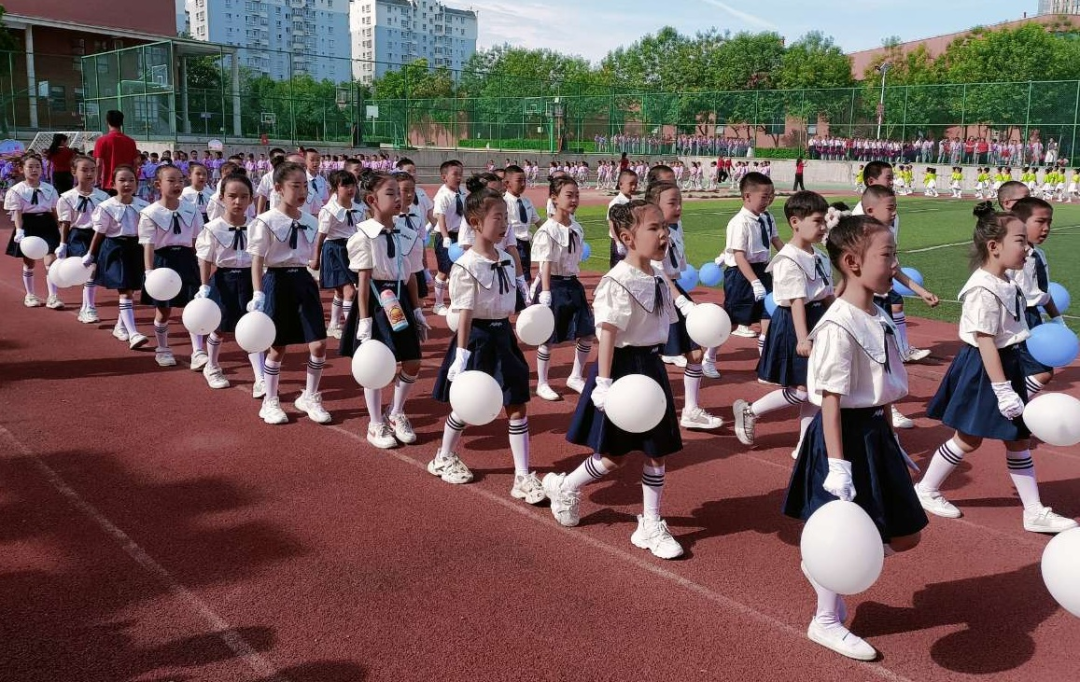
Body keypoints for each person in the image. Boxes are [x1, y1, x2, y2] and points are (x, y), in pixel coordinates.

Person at [782, 214, 928, 661]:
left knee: (906, 535)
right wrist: (838, 465)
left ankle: (826, 566)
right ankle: (825, 618)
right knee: (843, 531)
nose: (894, 264)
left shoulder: (878, 315)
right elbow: (828, 399)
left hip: (873, 435)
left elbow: (881, 385)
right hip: (841, 439)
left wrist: (893, 441)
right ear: (852, 262)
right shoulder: (836, 325)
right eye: (886, 256)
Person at [916, 203, 1077, 534]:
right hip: (986, 369)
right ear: (994, 246)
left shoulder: (1007, 280)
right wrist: (1003, 390)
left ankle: (1033, 510)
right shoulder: (982, 288)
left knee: (1017, 438)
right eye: (1020, 240)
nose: (1026, 247)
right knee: (969, 438)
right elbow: (985, 340)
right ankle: (926, 488)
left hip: (1007, 362)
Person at [543, 199, 685, 559]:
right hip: (622, 370)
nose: (663, 234)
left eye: (663, 227)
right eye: (653, 228)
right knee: (614, 455)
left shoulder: (655, 275)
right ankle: (567, 485)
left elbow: (665, 321)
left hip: (651, 371)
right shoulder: (616, 281)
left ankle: (650, 522)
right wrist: (603, 383)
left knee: (657, 450)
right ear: (627, 237)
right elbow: (607, 333)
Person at [429, 187, 545, 505]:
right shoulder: (466, 265)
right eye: (498, 217)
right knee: (468, 404)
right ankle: (443, 455)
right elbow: (465, 312)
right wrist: (462, 354)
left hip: (502, 336)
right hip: (477, 339)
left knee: (516, 401)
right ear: (476, 222)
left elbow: (514, 301)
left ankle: (522, 475)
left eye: (506, 217)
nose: (504, 223)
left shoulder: (507, 258)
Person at [734, 191, 834, 456]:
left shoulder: (819, 256)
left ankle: (805, 443)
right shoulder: (788, 259)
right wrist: (803, 338)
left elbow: (826, 295)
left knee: (816, 387)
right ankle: (751, 411)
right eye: (817, 221)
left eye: (824, 220)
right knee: (803, 390)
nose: (823, 227)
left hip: (817, 321)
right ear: (795, 222)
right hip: (793, 324)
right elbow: (797, 300)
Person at [342, 171, 428, 449]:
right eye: (390, 193)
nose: (399, 198)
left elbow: (413, 274)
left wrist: (416, 311)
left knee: (413, 360)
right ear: (372, 200)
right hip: (377, 304)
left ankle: (396, 412)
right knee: (376, 364)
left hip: (399, 302)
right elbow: (363, 282)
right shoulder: (363, 236)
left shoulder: (408, 233)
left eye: (400, 193)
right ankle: (375, 422)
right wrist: (364, 320)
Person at [245, 161, 331, 426]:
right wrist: (258, 293)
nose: (302, 191)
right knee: (277, 345)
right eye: (296, 186)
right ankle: (270, 400)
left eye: (305, 185)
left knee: (318, 343)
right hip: (277, 281)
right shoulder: (265, 221)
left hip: (303, 281)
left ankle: (310, 396)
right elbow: (257, 260)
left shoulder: (310, 220)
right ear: (279, 188)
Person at [647, 180, 723, 430]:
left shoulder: (675, 229)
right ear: (654, 204)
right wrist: (679, 299)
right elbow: (656, 268)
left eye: (680, 201)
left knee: (695, 352)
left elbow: (675, 266)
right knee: (641, 355)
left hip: (673, 291)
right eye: (672, 202)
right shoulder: (649, 231)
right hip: (655, 294)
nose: (679, 207)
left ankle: (690, 409)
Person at [194, 173, 265, 393]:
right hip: (224, 280)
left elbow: (260, 257)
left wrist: (258, 290)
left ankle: (260, 377)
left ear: (251, 200)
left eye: (244, 197)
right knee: (220, 328)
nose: (238, 202)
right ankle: (212, 366)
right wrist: (204, 286)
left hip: (250, 280)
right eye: (232, 196)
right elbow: (205, 259)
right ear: (222, 198)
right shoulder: (213, 228)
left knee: (253, 329)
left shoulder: (257, 226)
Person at [532, 175, 595, 401]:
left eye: (576, 195)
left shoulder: (577, 228)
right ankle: (542, 382)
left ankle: (576, 375)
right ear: (554, 198)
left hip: (572, 283)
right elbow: (545, 263)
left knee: (586, 333)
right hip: (554, 285)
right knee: (547, 337)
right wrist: (545, 291)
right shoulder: (547, 230)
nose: (574, 200)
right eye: (569, 195)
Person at [139, 164, 205, 369]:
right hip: (163, 263)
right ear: (158, 184)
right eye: (171, 180)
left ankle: (198, 351)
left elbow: (197, 241)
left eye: (180, 180)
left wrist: (201, 268)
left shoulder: (191, 210)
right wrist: (149, 272)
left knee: (194, 308)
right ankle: (163, 348)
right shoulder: (150, 213)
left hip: (186, 259)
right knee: (164, 311)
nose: (177, 184)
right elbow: (148, 245)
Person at [83, 165, 150, 350]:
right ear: (112, 184)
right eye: (122, 180)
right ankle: (133, 332)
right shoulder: (106, 206)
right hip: (115, 248)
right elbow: (99, 233)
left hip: (135, 248)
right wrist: (90, 254)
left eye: (131, 180)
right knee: (124, 289)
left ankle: (121, 326)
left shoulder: (144, 206)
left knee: (132, 288)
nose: (127, 184)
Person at [720, 171, 782, 347]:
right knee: (733, 318)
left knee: (767, 312)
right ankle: (709, 355)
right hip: (741, 274)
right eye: (764, 197)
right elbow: (739, 256)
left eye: (771, 196)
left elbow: (775, 240)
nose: (768, 201)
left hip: (763, 269)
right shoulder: (739, 222)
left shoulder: (767, 217)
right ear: (747, 196)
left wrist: (791, 256)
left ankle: (765, 359)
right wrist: (754, 282)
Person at [56, 155, 109, 323]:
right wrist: (63, 244)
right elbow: (65, 222)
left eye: (93, 170)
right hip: (78, 235)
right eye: (84, 170)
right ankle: (88, 307)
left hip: (97, 235)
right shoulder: (66, 197)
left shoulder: (103, 197)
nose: (89, 174)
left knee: (93, 271)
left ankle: (87, 307)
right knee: (87, 270)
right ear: (74, 172)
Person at [4, 155, 62, 309]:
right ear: (22, 169)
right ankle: (30, 294)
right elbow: (17, 212)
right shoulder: (17, 190)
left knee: (51, 261)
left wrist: (60, 227)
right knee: (29, 262)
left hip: (47, 223)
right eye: (30, 167)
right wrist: (19, 230)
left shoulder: (49, 188)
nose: (34, 170)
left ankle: (53, 296)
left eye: (37, 166)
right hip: (28, 225)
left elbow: (55, 210)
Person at [313, 170, 362, 341]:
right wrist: (316, 258)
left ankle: (334, 324)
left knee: (341, 292)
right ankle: (352, 330)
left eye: (352, 185)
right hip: (334, 250)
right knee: (349, 291)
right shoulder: (329, 210)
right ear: (335, 188)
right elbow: (321, 236)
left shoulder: (358, 208)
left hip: (352, 250)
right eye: (345, 185)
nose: (350, 189)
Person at [431, 160, 466, 315]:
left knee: (458, 270)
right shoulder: (443, 195)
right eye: (455, 174)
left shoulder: (463, 192)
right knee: (443, 271)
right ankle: (438, 304)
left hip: (461, 235)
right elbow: (441, 218)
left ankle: (456, 301)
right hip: (446, 236)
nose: (459, 177)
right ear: (444, 177)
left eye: (460, 174)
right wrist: (446, 238)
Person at [93, 110, 139, 195]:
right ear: (121, 123)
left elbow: (99, 163)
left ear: (107, 122)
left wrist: (96, 182)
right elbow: (135, 164)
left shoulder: (102, 141)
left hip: (108, 184)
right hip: (127, 183)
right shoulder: (130, 141)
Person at [607, 169, 638, 268]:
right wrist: (618, 242)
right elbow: (612, 223)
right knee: (617, 269)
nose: (634, 187)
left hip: (629, 239)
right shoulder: (617, 202)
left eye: (636, 184)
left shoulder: (630, 201)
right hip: (619, 241)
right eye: (631, 184)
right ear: (621, 184)